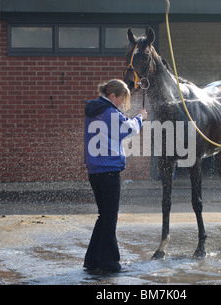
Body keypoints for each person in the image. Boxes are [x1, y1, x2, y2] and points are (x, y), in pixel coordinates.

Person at [83, 79, 147, 274]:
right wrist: (140, 118)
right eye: (121, 99)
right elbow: (128, 129)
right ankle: (110, 264)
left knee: (103, 216)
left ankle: (93, 260)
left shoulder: (94, 110)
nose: (121, 103)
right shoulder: (110, 112)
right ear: (112, 96)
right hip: (109, 170)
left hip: (94, 170)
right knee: (109, 218)